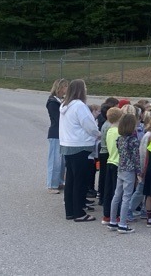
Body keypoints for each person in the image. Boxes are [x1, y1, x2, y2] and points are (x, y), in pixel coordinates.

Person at [59, 79, 101, 222]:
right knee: (79, 181)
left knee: (71, 180)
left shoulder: (66, 105)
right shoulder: (79, 106)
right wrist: (98, 133)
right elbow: (88, 124)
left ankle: (70, 211)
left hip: (67, 144)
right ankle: (79, 213)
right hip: (80, 146)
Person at [109, 113, 141, 234]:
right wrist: (139, 172)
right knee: (126, 197)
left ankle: (113, 221)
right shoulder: (133, 140)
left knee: (117, 195)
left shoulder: (120, 139)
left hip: (121, 168)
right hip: (129, 170)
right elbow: (136, 158)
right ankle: (122, 223)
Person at [101, 107, 123, 224]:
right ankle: (117, 214)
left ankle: (106, 214)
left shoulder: (109, 130)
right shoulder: (119, 132)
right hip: (118, 161)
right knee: (117, 190)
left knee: (108, 189)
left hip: (110, 160)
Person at [46, 78, 68, 193]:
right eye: (65, 87)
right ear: (59, 88)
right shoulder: (52, 102)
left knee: (62, 160)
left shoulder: (61, 100)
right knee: (55, 160)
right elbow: (58, 118)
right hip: (55, 133)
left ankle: (60, 181)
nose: (66, 89)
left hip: (63, 134)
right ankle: (51, 184)